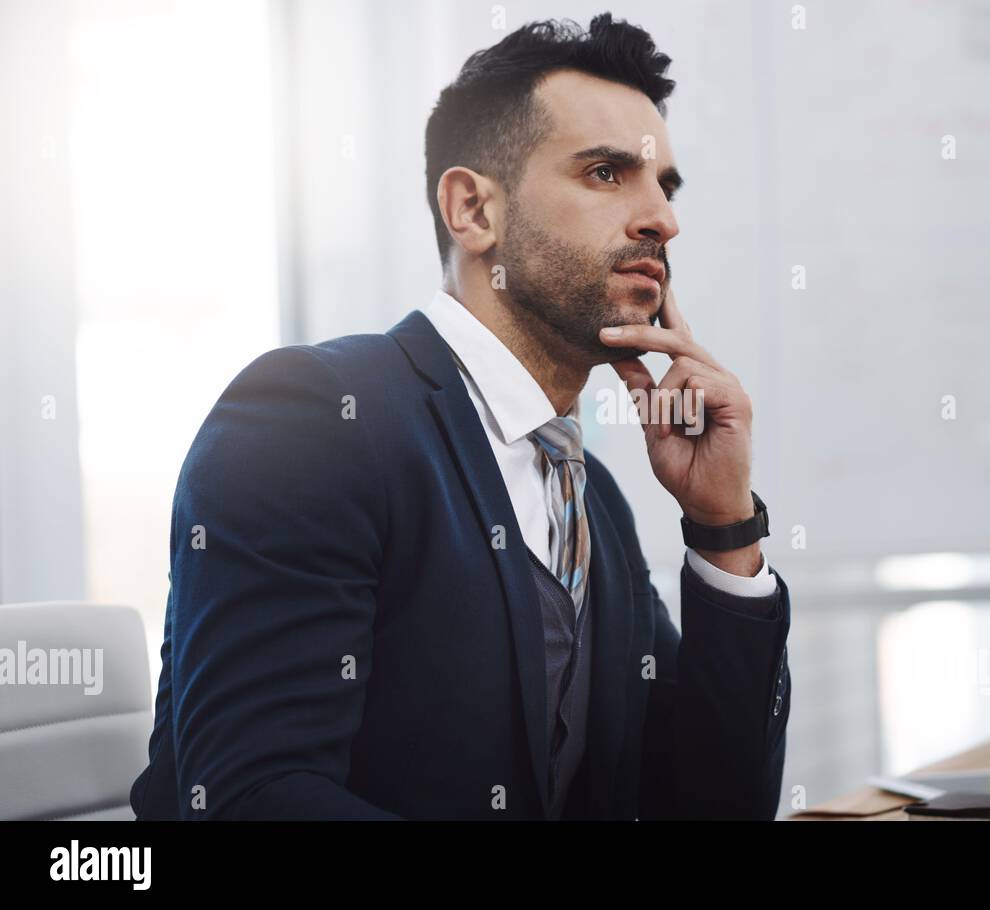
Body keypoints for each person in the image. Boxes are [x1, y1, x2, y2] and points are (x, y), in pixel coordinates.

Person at [130, 13, 791, 821]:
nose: (663, 219)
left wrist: (722, 527)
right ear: (472, 210)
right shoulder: (312, 420)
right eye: (607, 173)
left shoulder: (599, 506)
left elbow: (711, 806)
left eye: (665, 186)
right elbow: (251, 797)